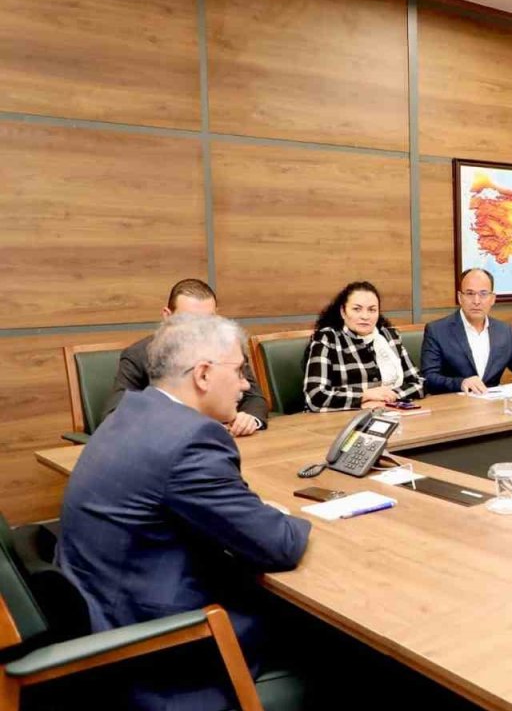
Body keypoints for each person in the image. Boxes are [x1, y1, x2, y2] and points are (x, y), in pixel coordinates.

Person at [57, 314, 311, 710]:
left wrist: (248, 512)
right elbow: (278, 545)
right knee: (334, 635)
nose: (246, 385)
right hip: (164, 651)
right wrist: (293, 514)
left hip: (103, 616)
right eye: (241, 370)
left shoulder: (133, 411)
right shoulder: (191, 439)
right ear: (204, 374)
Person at [104, 278, 267, 436]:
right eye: (190, 321)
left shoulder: (228, 350)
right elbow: (115, 415)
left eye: (208, 321)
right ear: (167, 316)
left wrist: (249, 419)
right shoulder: (139, 355)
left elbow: (253, 397)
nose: (200, 330)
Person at [303, 281, 425, 411]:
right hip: (339, 421)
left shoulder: (390, 337)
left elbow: (419, 383)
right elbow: (315, 395)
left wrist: (389, 397)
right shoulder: (327, 339)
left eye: (372, 310)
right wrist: (364, 396)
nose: (365, 316)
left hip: (390, 412)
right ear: (343, 312)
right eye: (357, 309)